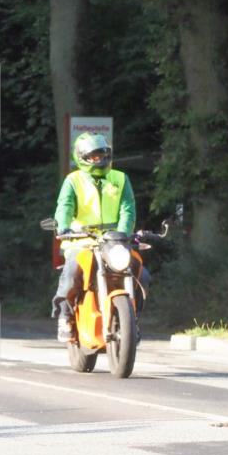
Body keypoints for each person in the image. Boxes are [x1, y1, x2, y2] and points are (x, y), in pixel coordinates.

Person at [51, 132, 138, 342]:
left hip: (113, 242)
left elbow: (128, 209)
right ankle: (65, 316)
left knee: (140, 271)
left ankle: (131, 320)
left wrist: (124, 233)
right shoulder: (73, 180)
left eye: (103, 154)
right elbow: (65, 207)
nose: (100, 159)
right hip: (81, 241)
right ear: (82, 157)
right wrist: (63, 227)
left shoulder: (120, 178)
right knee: (73, 272)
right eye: (94, 156)